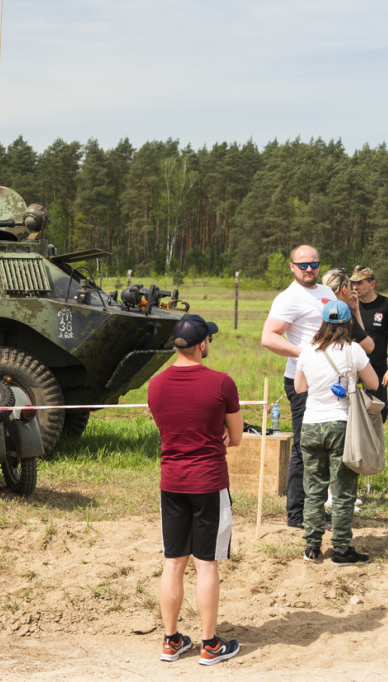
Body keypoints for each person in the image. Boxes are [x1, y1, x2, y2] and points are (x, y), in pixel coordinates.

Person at [147, 314, 243, 666]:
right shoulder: (222, 383)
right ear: (203, 344)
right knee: (206, 565)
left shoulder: (155, 385)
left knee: (173, 563)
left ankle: (171, 640)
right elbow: (235, 437)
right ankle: (209, 644)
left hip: (171, 482)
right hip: (208, 482)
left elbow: (169, 428)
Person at [294, 300, 379, 564]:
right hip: (340, 425)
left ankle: (312, 547)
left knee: (314, 489)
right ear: (348, 323)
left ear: (323, 323)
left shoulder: (307, 351)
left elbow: (299, 388)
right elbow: (374, 382)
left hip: (310, 426)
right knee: (342, 492)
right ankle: (341, 549)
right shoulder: (354, 351)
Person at [261, 245, 335, 528]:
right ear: (291, 266)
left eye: (313, 264)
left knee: (323, 446)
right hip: (303, 381)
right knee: (305, 447)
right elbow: (269, 337)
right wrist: (305, 354)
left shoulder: (325, 292)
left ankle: (314, 508)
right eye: (302, 265)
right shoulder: (288, 298)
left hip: (329, 381)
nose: (309, 269)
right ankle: (296, 514)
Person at [350, 265, 388, 423]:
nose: (355, 287)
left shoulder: (386, 305)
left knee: (377, 414)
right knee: (352, 416)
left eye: (360, 283)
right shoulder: (349, 306)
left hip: (377, 370)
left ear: (371, 284)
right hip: (352, 371)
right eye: (353, 283)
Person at [320, 268, 374, 355]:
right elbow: (368, 346)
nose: (352, 289)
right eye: (350, 285)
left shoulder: (320, 305)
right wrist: (355, 313)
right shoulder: (342, 313)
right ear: (344, 289)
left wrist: (355, 310)